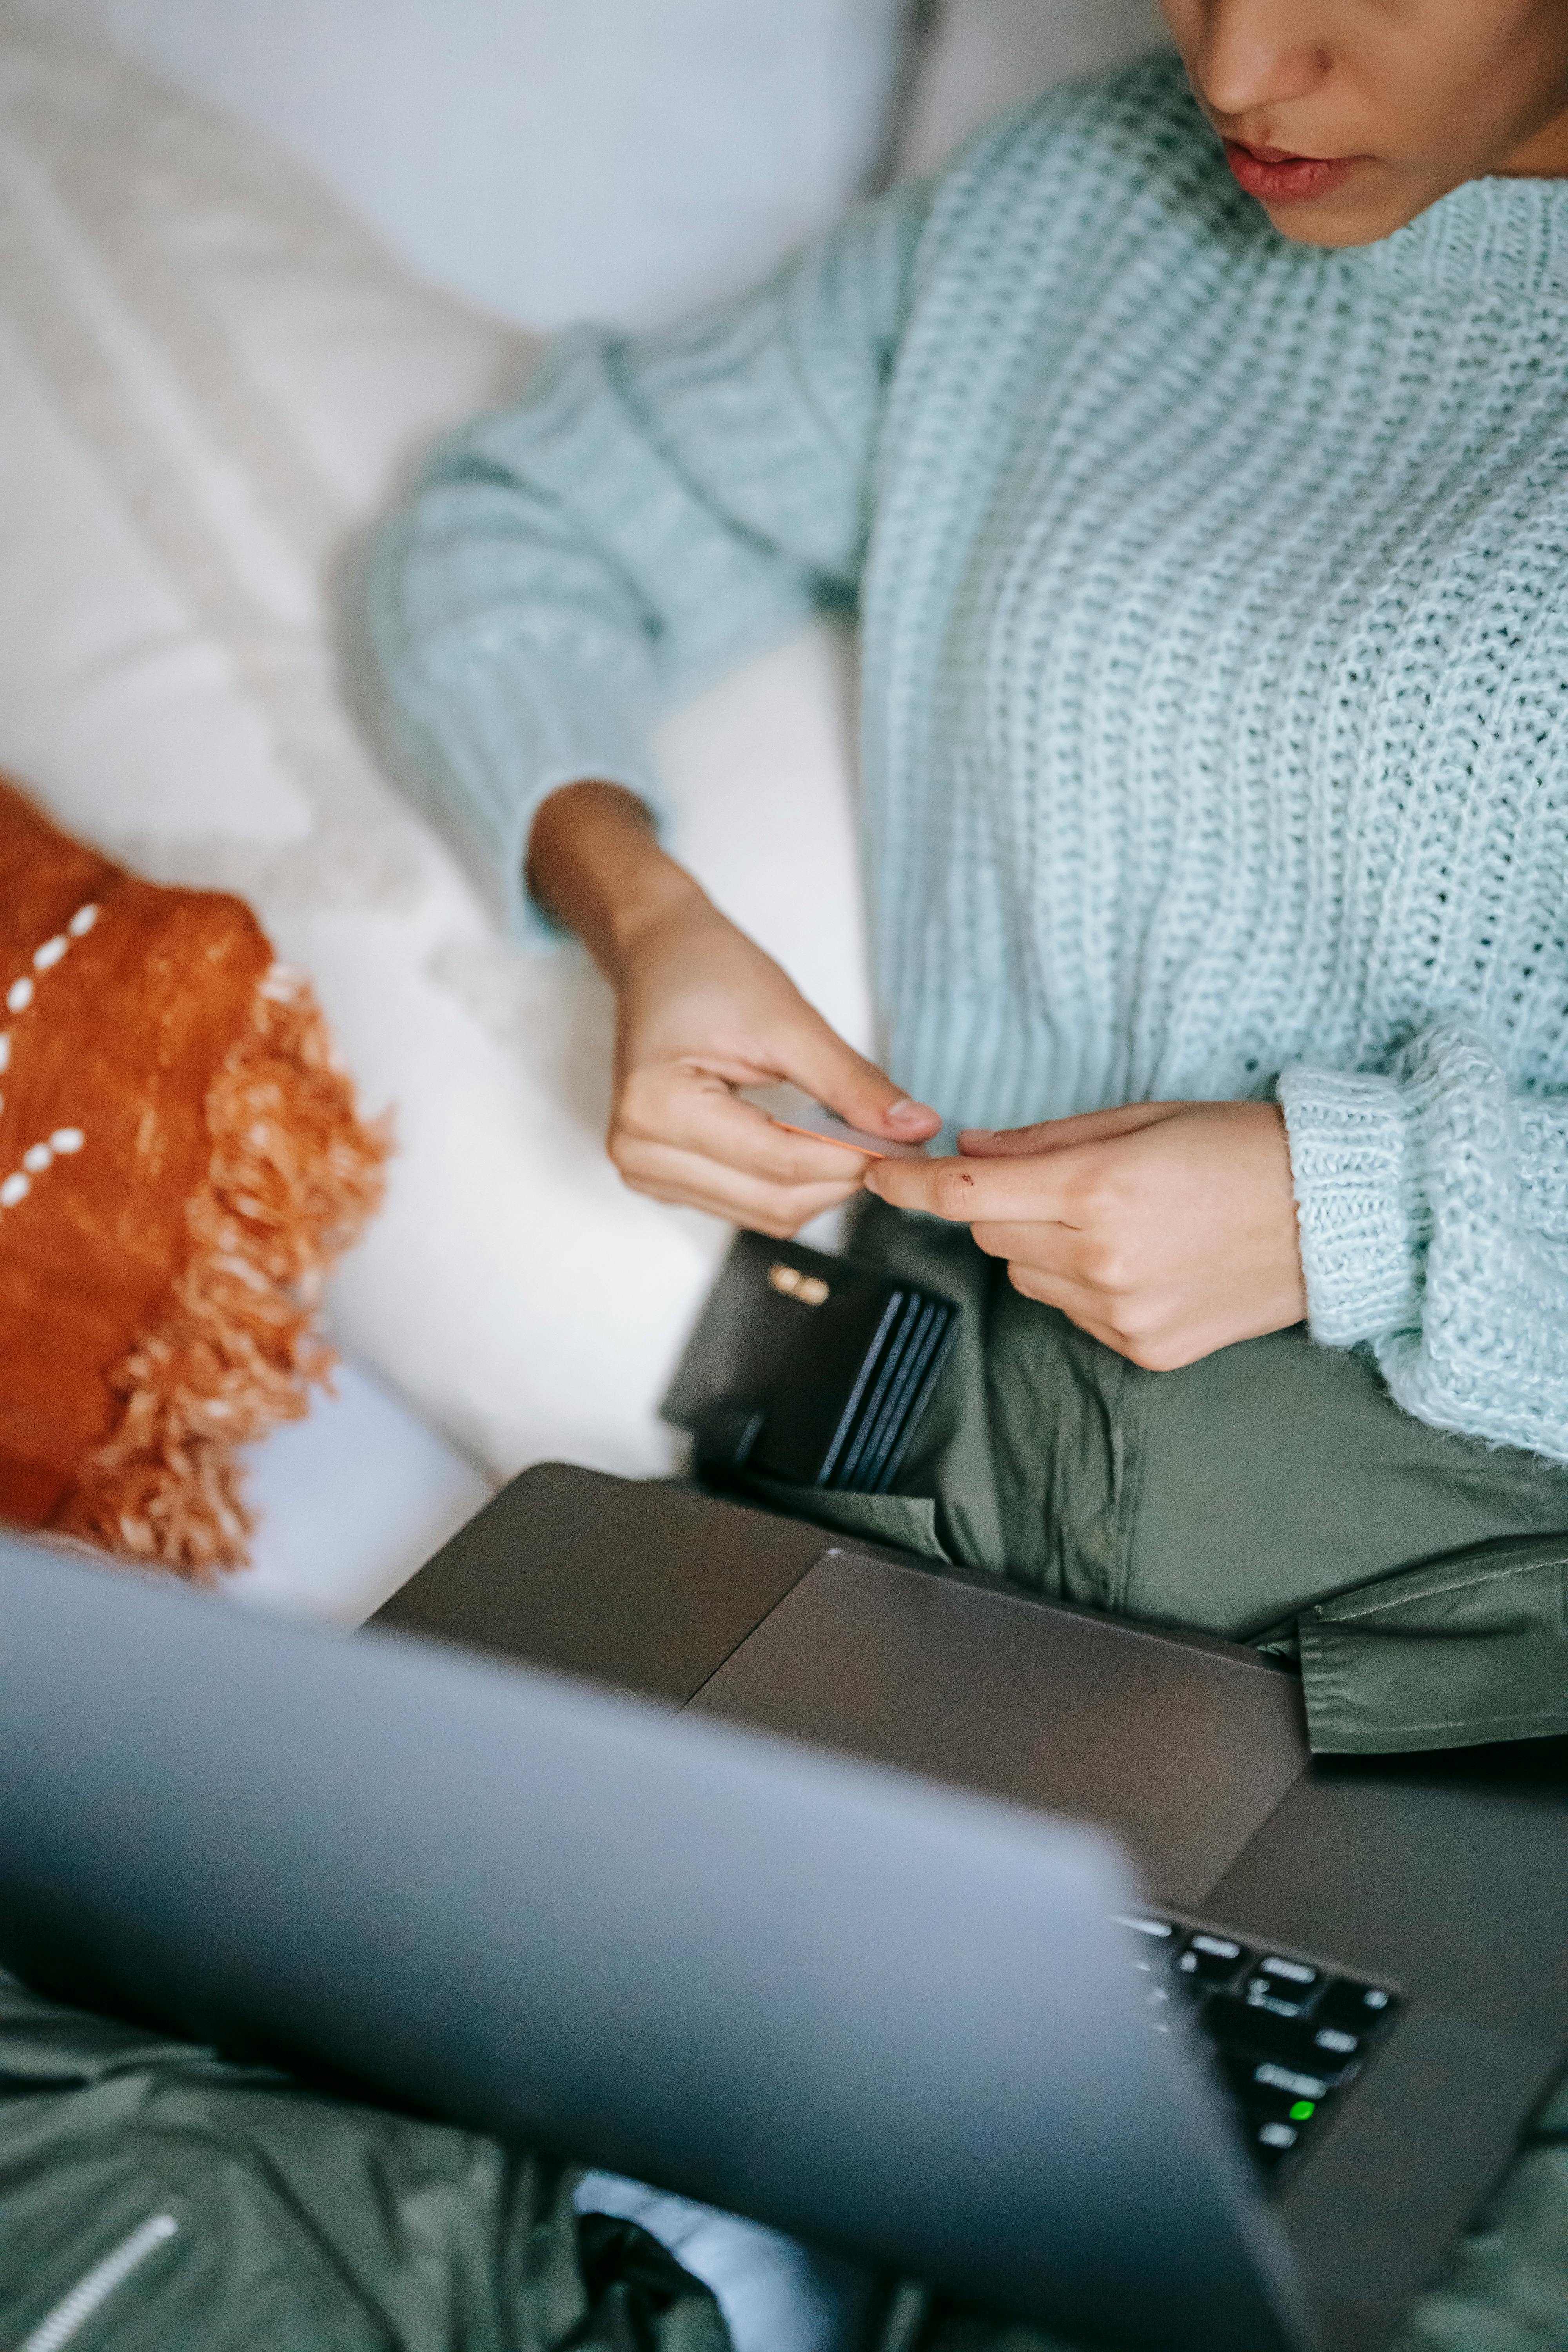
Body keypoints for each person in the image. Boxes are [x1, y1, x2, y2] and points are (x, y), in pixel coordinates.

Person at [357, 0, 1568, 1762]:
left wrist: (1366, 1212)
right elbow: (509, 528)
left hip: (1463, 1612)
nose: (1233, 70)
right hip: (906, 1469)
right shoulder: (1069, 207)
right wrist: (645, 915)